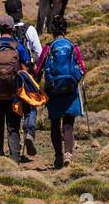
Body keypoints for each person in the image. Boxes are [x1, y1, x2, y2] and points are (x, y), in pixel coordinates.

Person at [0, 0, 43, 155]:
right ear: (21, 10)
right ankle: (29, 130)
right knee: (31, 103)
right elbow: (39, 52)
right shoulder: (30, 29)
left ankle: (11, 147)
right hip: (27, 73)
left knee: (12, 109)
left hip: (5, 78)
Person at [0, 14, 33, 160]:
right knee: (13, 126)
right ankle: (15, 157)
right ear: (12, 29)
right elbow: (24, 72)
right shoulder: (19, 47)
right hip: (14, 94)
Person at [36, 14, 85, 168]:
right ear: (65, 29)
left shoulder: (47, 48)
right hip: (71, 91)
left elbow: (38, 70)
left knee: (55, 124)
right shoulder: (73, 46)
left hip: (53, 90)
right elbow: (82, 67)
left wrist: (36, 85)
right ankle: (68, 154)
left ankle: (58, 156)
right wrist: (76, 78)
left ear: (52, 30)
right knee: (68, 124)